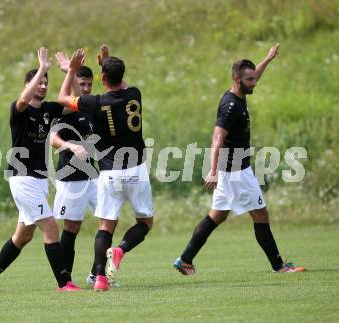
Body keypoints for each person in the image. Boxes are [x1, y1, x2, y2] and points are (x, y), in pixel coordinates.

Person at [174, 44, 306, 275]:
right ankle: (279, 266)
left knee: (217, 215)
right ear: (236, 78)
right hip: (235, 170)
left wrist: (267, 59)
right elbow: (217, 139)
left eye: (254, 78)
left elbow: (255, 75)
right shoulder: (230, 106)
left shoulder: (239, 92)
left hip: (231, 169)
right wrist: (213, 170)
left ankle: (184, 259)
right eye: (249, 79)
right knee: (261, 214)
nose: (254, 82)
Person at [0, 47, 77, 293]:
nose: (43, 86)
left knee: (22, 237)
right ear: (29, 84)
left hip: (39, 179)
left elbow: (76, 103)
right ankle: (64, 283)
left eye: (45, 82)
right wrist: (42, 68)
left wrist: (71, 73)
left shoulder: (49, 110)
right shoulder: (19, 109)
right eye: (39, 82)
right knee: (51, 228)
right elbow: (23, 100)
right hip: (23, 179)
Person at [57, 45, 153, 291]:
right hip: (136, 169)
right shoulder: (135, 94)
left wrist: (71, 71)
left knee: (105, 227)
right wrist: (107, 64)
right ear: (122, 76)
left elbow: (62, 99)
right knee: (145, 223)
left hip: (109, 172)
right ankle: (120, 250)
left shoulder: (95, 103)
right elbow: (120, 84)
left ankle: (99, 279)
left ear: (101, 79)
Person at [50, 51, 99, 289]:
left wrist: (72, 70)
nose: (87, 88)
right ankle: (65, 279)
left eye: (89, 84)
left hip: (93, 176)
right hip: (71, 177)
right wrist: (69, 145)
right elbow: (53, 139)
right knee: (72, 228)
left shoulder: (86, 109)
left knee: (109, 219)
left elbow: (82, 100)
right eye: (82, 84)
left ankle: (97, 274)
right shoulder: (64, 111)